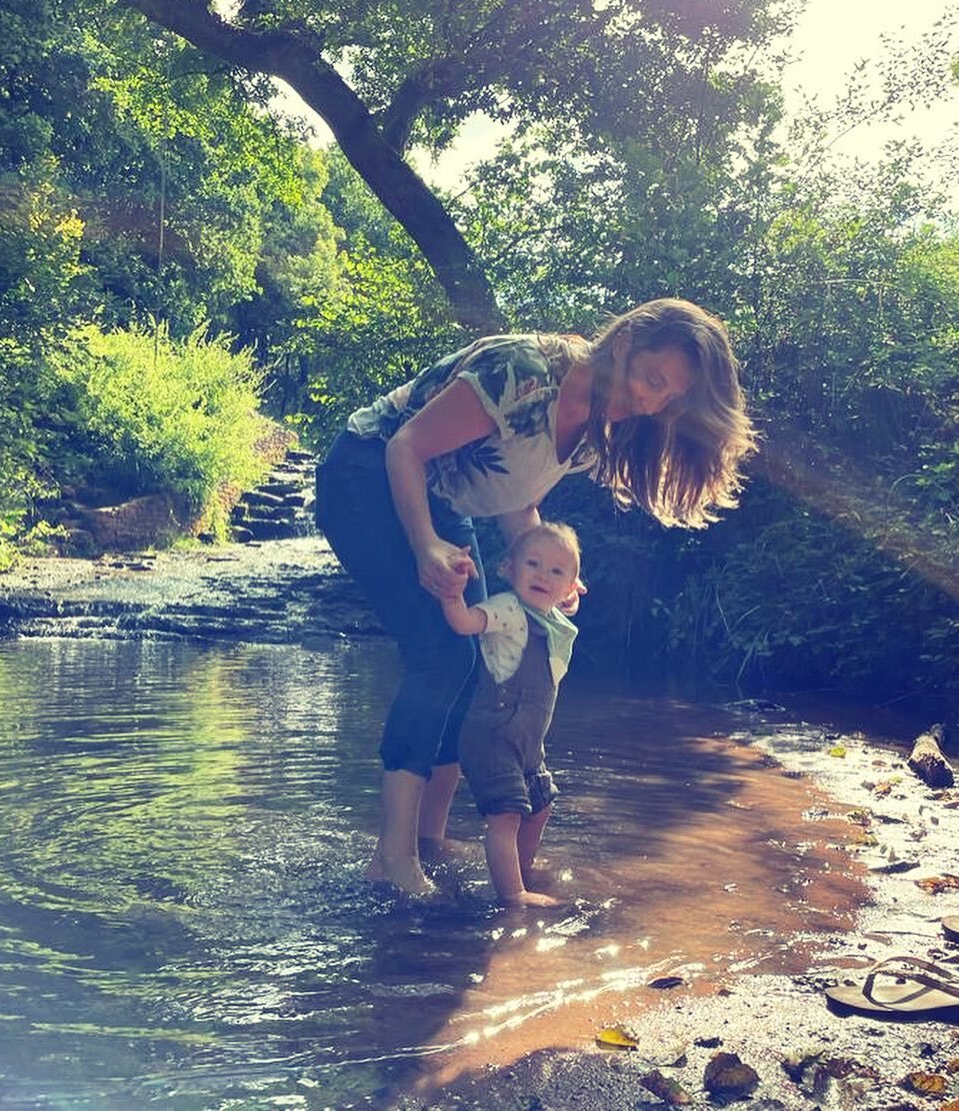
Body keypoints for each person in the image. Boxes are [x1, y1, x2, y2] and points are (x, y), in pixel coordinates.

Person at [314, 297, 757, 894]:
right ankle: (391, 857)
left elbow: (512, 492)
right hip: (368, 473)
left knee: (474, 664)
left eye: (668, 398)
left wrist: (545, 571)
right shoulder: (523, 373)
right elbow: (406, 447)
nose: (652, 403)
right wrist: (426, 548)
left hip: (444, 497)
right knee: (442, 654)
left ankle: (428, 841)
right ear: (626, 340)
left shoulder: (600, 429)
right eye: (653, 381)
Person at [440, 522, 581, 907]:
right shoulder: (506, 608)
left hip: (527, 743)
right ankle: (512, 894)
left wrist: (568, 594)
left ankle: (520, 870)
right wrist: (453, 595)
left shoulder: (552, 621)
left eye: (555, 571)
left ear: (570, 587)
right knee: (506, 815)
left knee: (540, 807)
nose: (542, 575)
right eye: (532, 564)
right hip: (493, 735)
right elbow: (466, 623)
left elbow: (562, 601)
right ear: (508, 569)